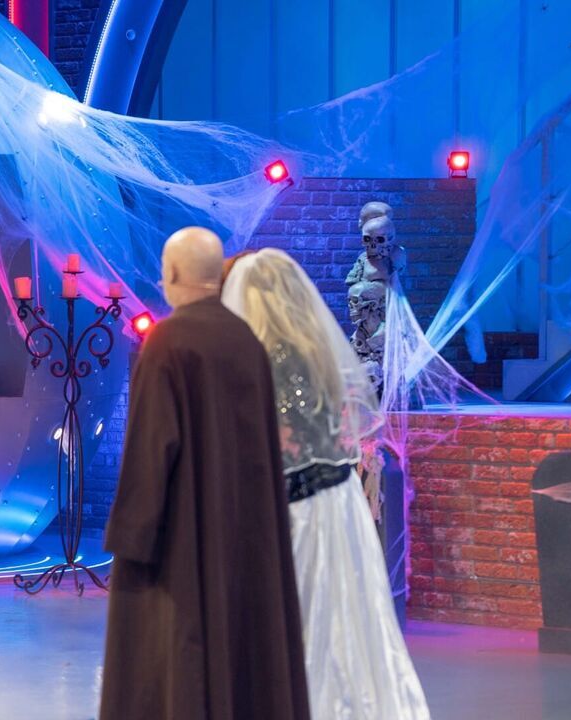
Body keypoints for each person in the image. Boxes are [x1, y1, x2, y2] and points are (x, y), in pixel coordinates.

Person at [99, 227, 311, 720]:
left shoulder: (168, 342)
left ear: (173, 273)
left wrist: (131, 536)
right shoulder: (246, 341)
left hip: (183, 539)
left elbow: (152, 447)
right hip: (245, 533)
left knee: (176, 657)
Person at [221, 248, 430, 720]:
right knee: (341, 616)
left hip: (297, 506)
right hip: (337, 500)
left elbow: (276, 441)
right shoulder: (317, 350)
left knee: (302, 614)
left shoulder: (268, 358)